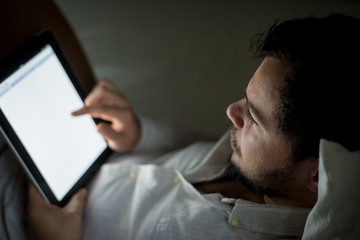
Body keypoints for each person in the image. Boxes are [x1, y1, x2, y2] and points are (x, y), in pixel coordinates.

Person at [1, 13, 360, 240]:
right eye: (245, 98)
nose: (231, 112)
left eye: (253, 116)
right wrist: (139, 132)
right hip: (90, 146)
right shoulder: (252, 163)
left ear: (318, 178)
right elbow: (188, 144)